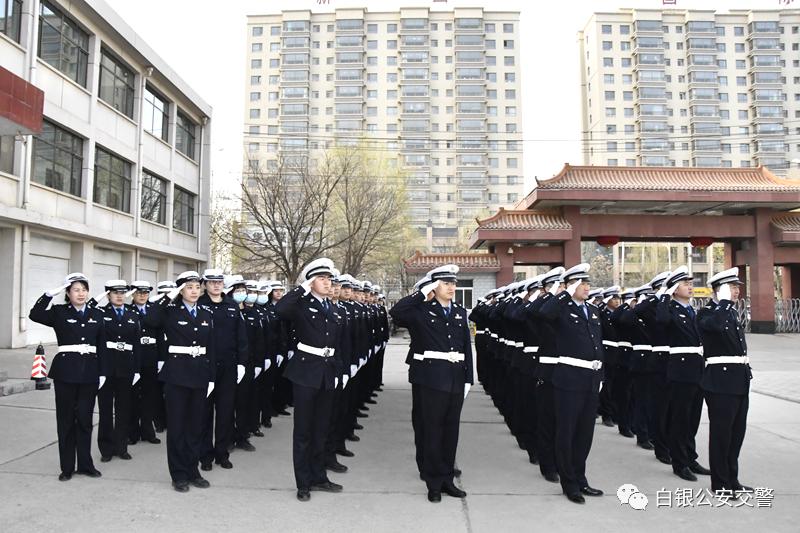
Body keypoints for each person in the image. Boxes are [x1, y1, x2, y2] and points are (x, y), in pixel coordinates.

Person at [390, 264, 473, 503]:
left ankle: (447, 478)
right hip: (430, 378)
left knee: (451, 431)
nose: (452, 287)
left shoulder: (459, 311)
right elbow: (397, 312)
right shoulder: (421, 311)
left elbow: (466, 346)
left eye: (453, 283)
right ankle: (433, 482)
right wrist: (421, 293)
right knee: (432, 430)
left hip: (455, 377)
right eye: (446, 283)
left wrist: (469, 378)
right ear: (434, 287)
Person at [276, 258, 344, 502]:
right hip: (305, 372)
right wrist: (302, 288)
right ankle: (303, 482)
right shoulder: (301, 305)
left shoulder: (333, 308)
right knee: (303, 431)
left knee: (321, 429)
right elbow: (280, 310)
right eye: (322, 279)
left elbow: (338, 343)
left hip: (327, 372)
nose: (328, 283)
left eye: (329, 279)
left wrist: (340, 371)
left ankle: (319, 476)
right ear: (311, 282)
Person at [29, 273, 105, 481]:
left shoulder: (97, 314)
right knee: (65, 421)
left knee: (85, 420)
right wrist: (48, 294)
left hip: (89, 372)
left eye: (84, 289)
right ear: (67, 293)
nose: (81, 294)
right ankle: (67, 468)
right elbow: (34, 314)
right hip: (65, 372)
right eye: (76, 290)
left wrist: (103, 372)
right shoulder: (58, 312)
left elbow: (102, 345)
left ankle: (86, 465)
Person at [144, 271, 216, 492]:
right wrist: (169, 296)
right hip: (176, 374)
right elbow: (150, 318)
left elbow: (211, 347)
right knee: (177, 427)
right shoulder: (169, 312)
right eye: (189, 287)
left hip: (199, 374)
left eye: (197, 287)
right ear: (180, 290)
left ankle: (193, 470)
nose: (194, 291)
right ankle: (178, 474)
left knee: (196, 426)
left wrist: (211, 376)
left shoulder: (205, 313)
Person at [538, 263, 604, 504]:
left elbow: (598, 346)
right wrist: (564, 292)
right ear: (569, 286)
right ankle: (569, 483)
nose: (586, 286)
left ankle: (580, 477)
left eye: (587, 282)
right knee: (566, 431)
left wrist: (601, 377)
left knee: (584, 433)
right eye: (581, 283)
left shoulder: (593, 311)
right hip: (568, 378)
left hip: (590, 379)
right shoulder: (561, 309)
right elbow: (543, 313)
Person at [697, 267, 753, 497]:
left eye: (737, 287)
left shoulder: (729, 312)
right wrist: (723, 303)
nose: (737, 291)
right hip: (720, 381)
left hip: (739, 379)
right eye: (732, 287)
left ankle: (732, 478)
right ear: (720, 290)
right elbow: (715, 328)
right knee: (722, 434)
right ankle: (720, 484)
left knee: (737, 433)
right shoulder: (707, 313)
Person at [655, 266, 711, 482]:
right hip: (680, 370)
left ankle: (690, 457)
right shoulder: (669, 310)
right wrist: (664, 297)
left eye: (691, 283)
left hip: (698, 369)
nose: (690, 287)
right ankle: (679, 462)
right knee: (680, 418)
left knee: (693, 419)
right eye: (685, 284)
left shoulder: (692, 310)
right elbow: (661, 322)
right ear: (674, 288)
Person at [94, 279, 142, 463]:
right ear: (108, 294)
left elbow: (137, 344)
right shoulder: (100, 313)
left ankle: (121, 447)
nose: (119, 296)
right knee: (105, 410)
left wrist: (136, 369)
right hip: (106, 368)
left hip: (126, 368)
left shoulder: (132, 313)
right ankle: (106, 449)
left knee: (124, 410)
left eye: (122, 292)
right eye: (115, 292)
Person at [128, 280, 162, 445]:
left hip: (151, 356)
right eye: (139, 292)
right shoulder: (127, 310)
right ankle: (132, 432)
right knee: (132, 396)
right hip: (134, 358)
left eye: (146, 293)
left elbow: (161, 335)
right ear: (132, 294)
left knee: (150, 396)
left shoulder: (154, 310)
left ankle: (148, 431)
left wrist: (161, 359)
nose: (142, 296)